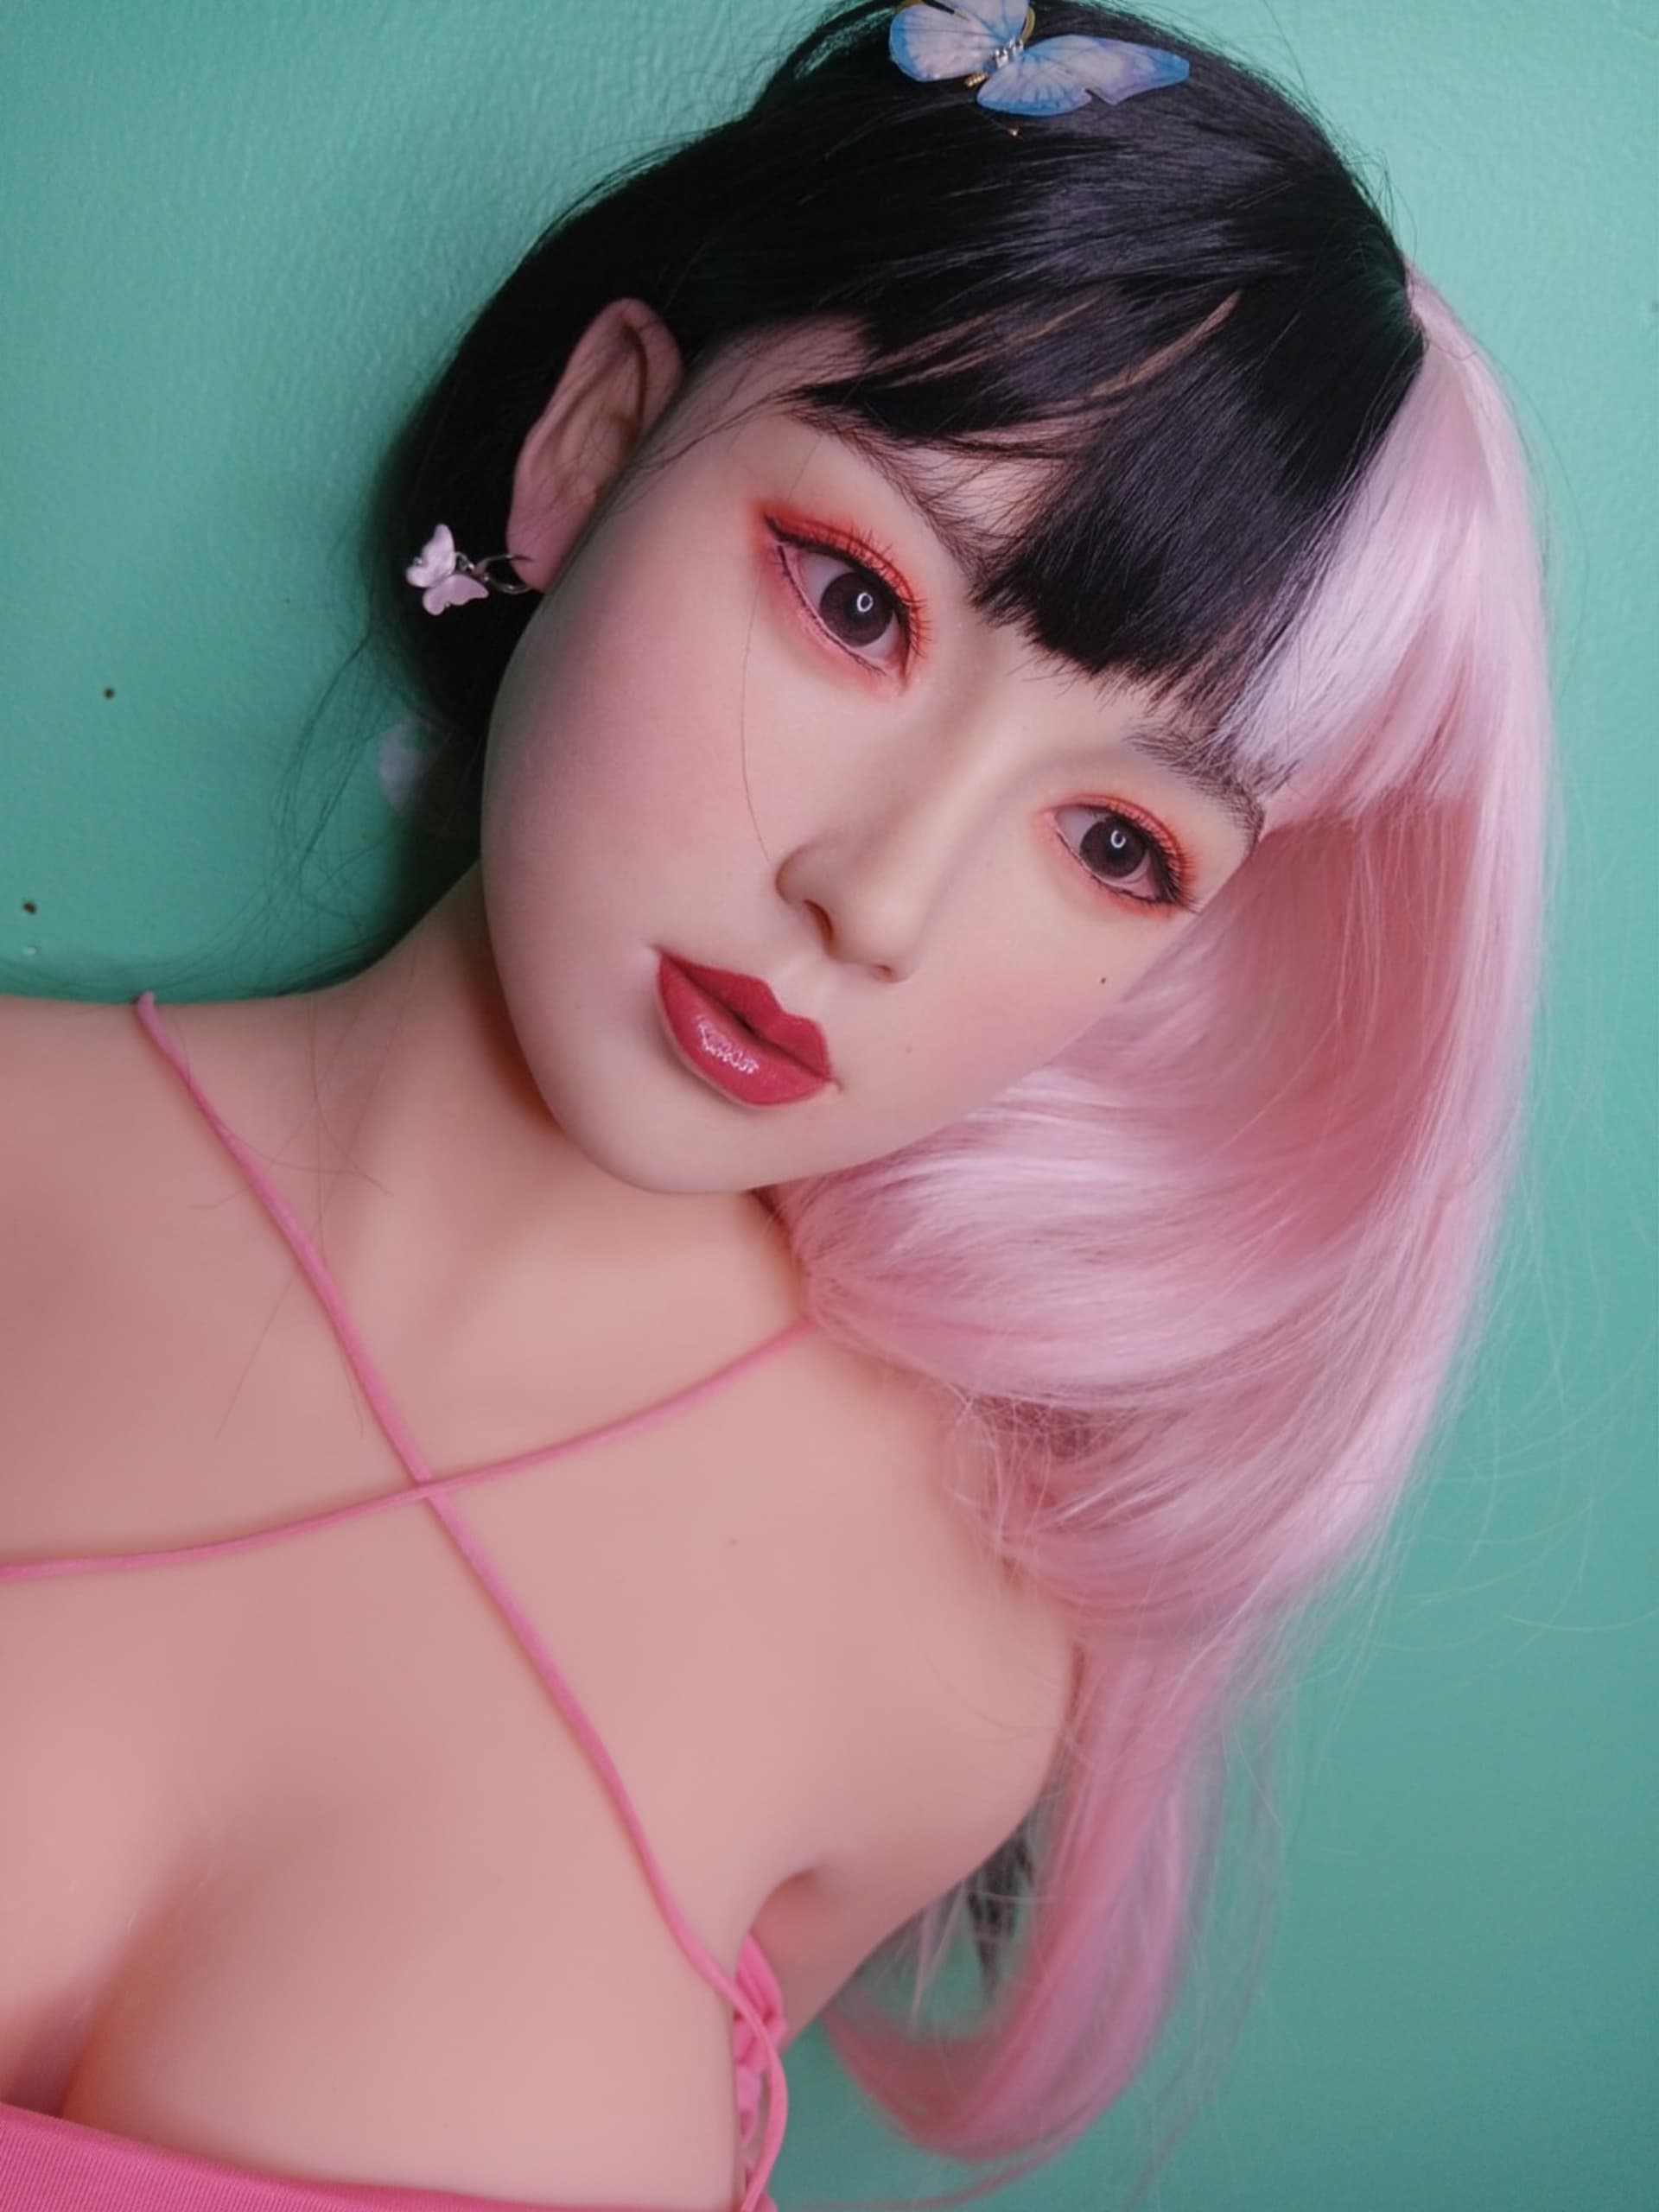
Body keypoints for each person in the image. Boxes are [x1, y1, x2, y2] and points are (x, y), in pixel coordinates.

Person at [0, 3, 1551, 2209]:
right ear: (591, 444)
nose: (878, 899)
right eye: (854, 600)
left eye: (1118, 843)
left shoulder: (951, 1671)